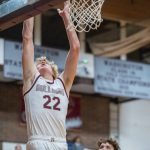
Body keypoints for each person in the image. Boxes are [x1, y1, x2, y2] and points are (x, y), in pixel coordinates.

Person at [22, 0, 80, 149]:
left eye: (45, 61)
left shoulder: (63, 83)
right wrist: (30, 9)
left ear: (54, 70)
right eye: (38, 62)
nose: (42, 62)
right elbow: (27, 38)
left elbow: (75, 48)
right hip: (38, 141)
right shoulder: (31, 79)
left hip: (61, 143)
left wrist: (66, 17)